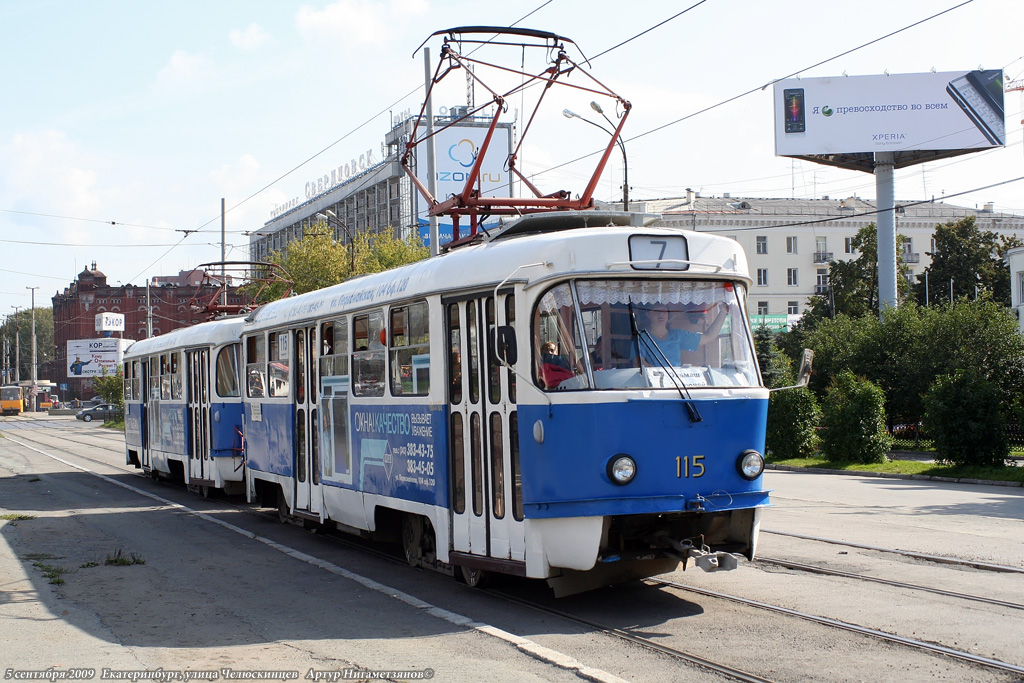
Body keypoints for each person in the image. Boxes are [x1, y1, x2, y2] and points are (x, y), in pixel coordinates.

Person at [639, 302, 727, 365]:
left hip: (677, 383)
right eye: (656, 311)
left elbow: (709, 337)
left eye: (663, 310)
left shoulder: (678, 335)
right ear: (648, 314)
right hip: (652, 386)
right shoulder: (642, 337)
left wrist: (723, 312)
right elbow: (638, 363)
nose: (661, 315)